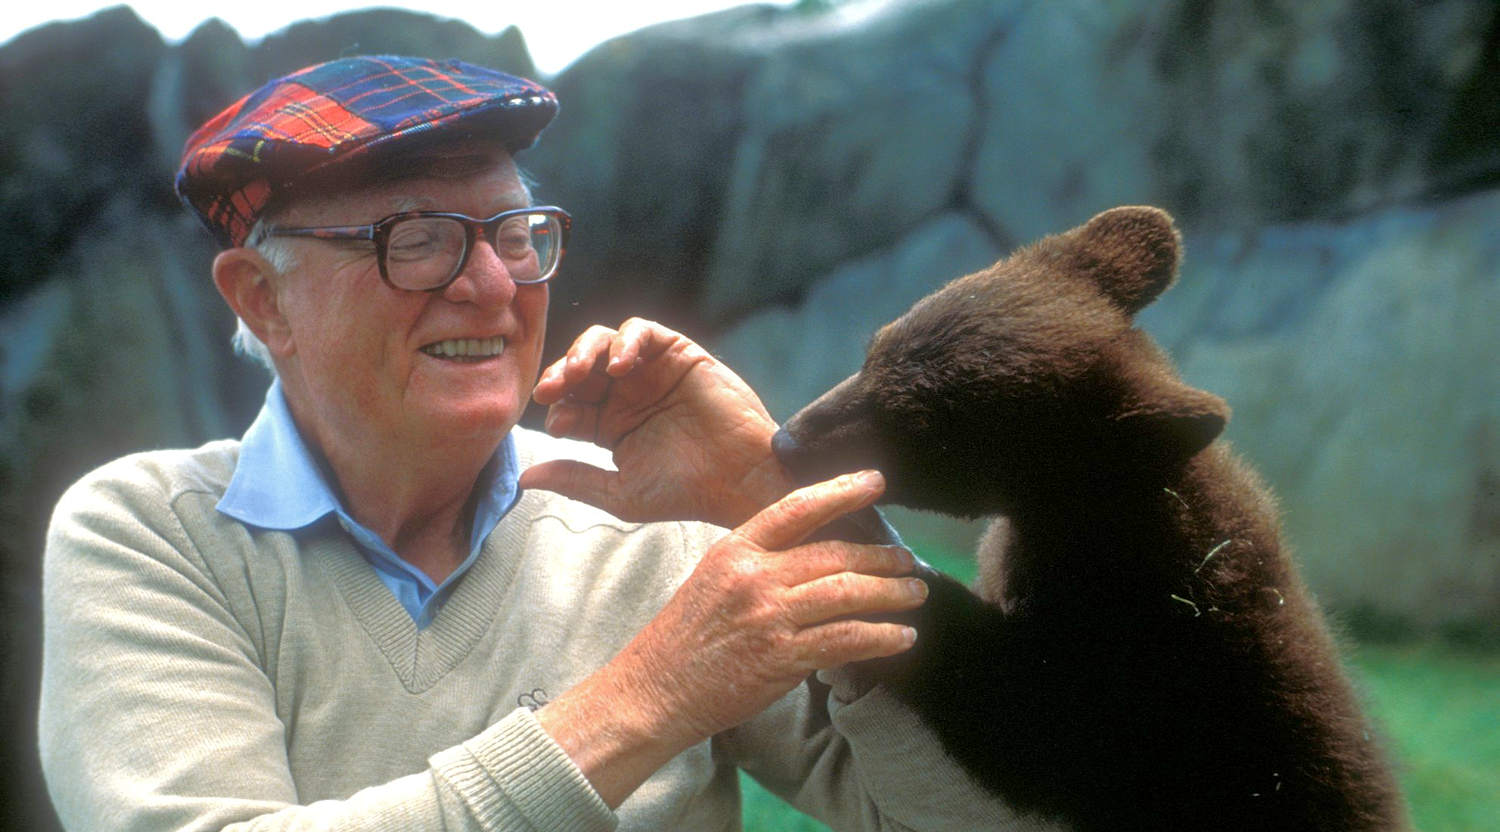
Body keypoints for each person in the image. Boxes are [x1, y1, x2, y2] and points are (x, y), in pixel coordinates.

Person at [37, 55, 1031, 831]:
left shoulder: (656, 513)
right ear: (265, 298)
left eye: (515, 232)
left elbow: (996, 813)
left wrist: (773, 495)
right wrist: (651, 693)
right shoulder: (147, 532)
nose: (495, 284)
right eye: (418, 236)